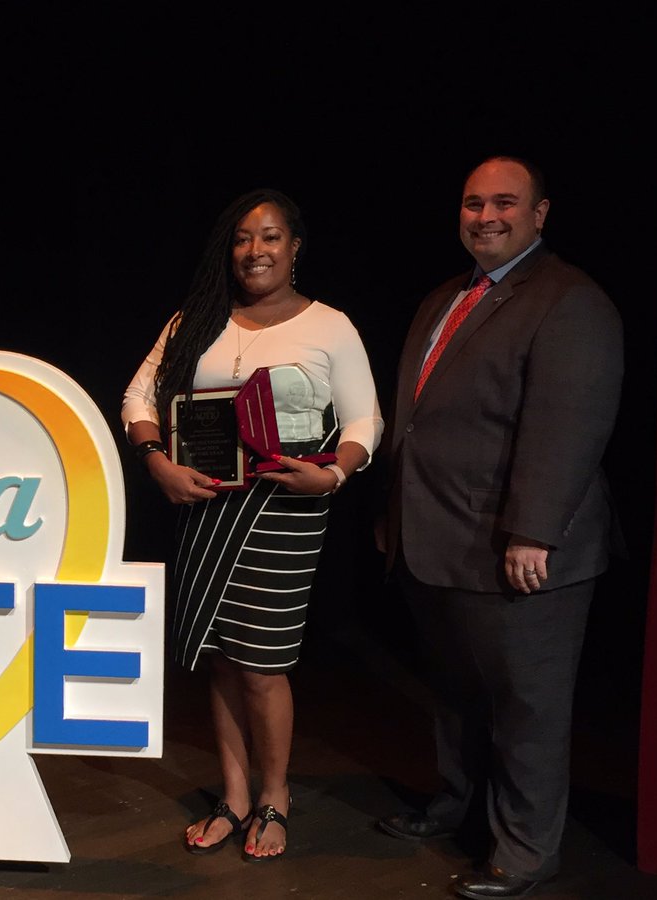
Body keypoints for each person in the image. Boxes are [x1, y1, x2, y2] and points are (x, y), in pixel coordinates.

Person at [375, 157, 623, 899]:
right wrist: (395, 517)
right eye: (473, 202)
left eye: (505, 203)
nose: (486, 215)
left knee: (528, 711)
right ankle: (458, 811)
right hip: (438, 542)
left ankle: (524, 850)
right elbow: (418, 426)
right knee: (455, 698)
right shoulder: (446, 297)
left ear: (540, 214)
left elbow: (568, 428)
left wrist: (534, 533)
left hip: (520, 552)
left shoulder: (570, 300)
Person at [122, 189, 383, 861]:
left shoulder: (330, 326)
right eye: (243, 238)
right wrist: (157, 462)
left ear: (296, 247)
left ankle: (274, 797)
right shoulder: (197, 319)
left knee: (262, 666)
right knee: (219, 660)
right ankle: (234, 797)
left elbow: (364, 421)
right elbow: (138, 396)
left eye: (270, 237)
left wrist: (333, 475)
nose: (255, 250)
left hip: (285, 510)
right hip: (205, 504)